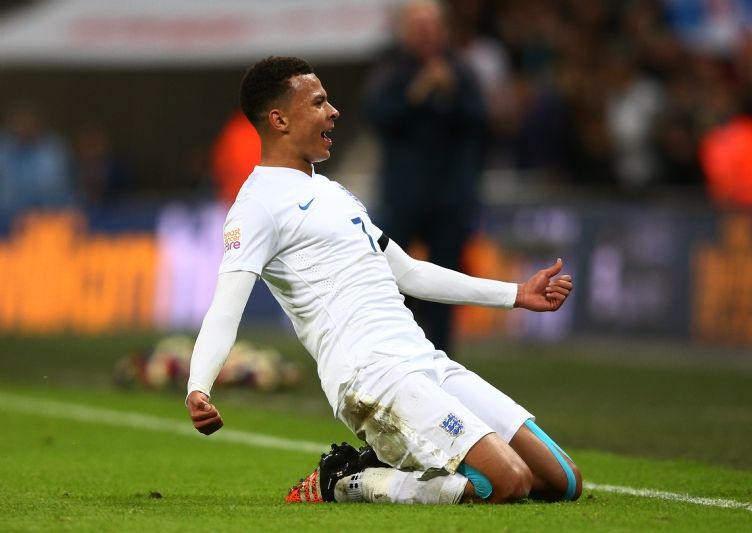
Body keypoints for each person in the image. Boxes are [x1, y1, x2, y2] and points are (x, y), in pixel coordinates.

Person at [186, 56, 581, 505]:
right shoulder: (256, 206)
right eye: (318, 102)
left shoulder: (333, 192)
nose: (333, 111)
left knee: (563, 481)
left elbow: (409, 272)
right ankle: (349, 482)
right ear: (279, 120)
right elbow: (225, 308)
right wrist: (199, 385)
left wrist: (516, 294)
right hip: (371, 377)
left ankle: (383, 468)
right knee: (506, 483)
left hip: (422, 359)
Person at [363, 0, 487, 356]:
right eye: (418, 26)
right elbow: (377, 118)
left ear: (443, 29)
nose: (425, 33)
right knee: (388, 276)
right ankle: (388, 352)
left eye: (430, 25)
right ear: (405, 30)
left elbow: (481, 120)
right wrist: (416, 93)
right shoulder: (390, 71)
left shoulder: (462, 71)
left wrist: (451, 92)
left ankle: (443, 357)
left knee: (446, 281)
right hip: (402, 194)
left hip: (450, 195)